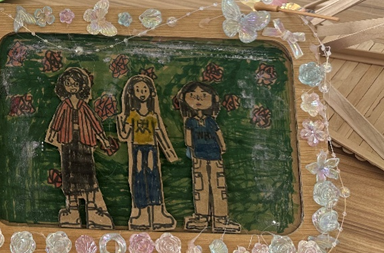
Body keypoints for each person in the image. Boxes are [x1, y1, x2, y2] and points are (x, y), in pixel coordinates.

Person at [45, 67, 114, 229]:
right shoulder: (64, 105)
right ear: (63, 86)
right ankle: (73, 209)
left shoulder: (84, 106)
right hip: (68, 143)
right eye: (69, 84)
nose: (72, 87)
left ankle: (92, 209)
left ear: (81, 86)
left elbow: (95, 123)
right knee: (70, 175)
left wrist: (103, 139)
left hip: (84, 142)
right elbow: (56, 122)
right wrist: (51, 135)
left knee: (88, 174)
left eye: (75, 84)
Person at [173, 81, 241, 233]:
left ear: (212, 99)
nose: (198, 99)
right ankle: (201, 217)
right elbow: (188, 139)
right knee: (200, 186)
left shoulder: (210, 121)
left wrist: (222, 146)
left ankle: (220, 219)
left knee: (218, 186)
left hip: (215, 156)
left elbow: (218, 134)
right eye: (193, 95)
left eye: (204, 95)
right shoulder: (190, 122)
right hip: (199, 156)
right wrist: (191, 148)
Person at [117, 74, 178, 230]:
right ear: (132, 93)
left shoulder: (153, 115)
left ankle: (158, 211)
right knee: (138, 177)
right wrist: (120, 120)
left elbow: (160, 134)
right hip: (137, 148)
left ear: (151, 92)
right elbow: (123, 135)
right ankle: (141, 212)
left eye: (144, 89)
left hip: (152, 148)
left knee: (153, 176)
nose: (142, 93)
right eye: (138, 90)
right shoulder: (132, 114)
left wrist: (169, 152)